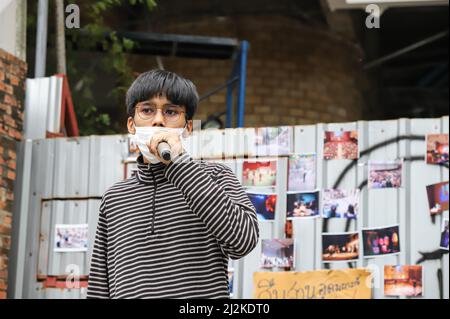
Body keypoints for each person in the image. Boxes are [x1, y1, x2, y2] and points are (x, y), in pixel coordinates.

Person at [87, 70, 259, 299]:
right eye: (147, 110)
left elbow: (243, 242)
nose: (158, 120)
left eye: (170, 112)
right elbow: (100, 286)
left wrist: (179, 163)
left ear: (187, 127)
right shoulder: (114, 199)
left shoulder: (216, 176)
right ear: (131, 124)